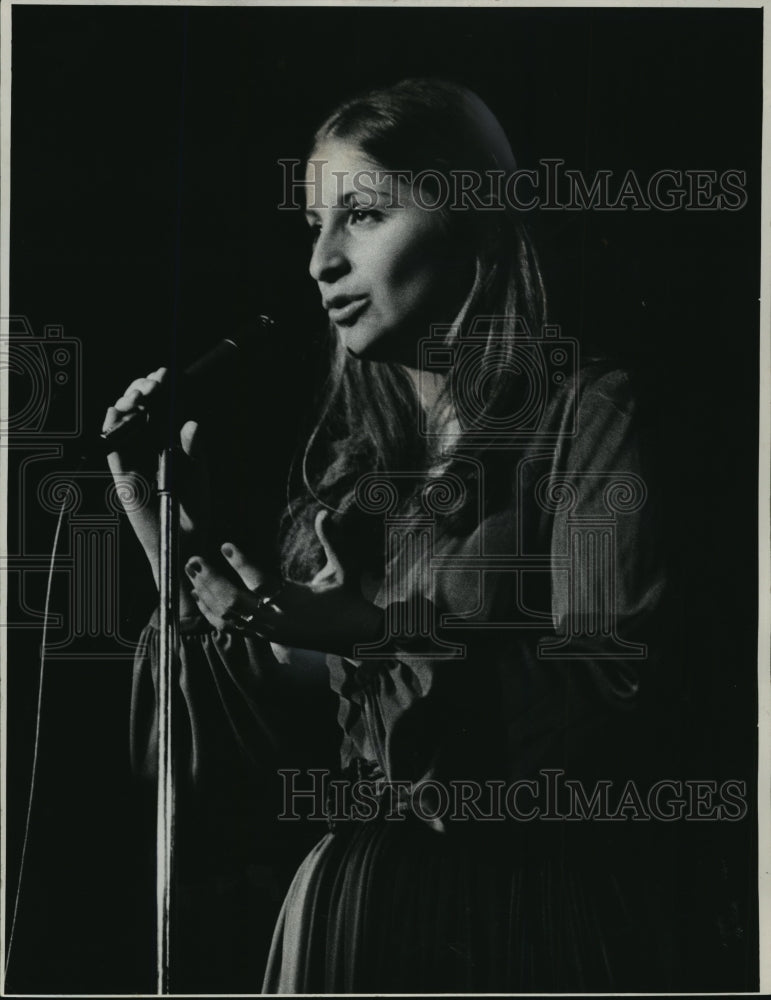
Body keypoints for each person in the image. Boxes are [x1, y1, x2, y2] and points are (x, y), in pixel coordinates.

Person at [105, 78, 671, 992]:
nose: (320, 262)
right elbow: (238, 747)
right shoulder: (352, 474)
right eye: (312, 228)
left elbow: (609, 696)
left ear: (471, 221)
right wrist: (158, 520)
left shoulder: (585, 416)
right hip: (341, 925)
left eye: (361, 216)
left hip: (509, 921)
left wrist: (367, 631)